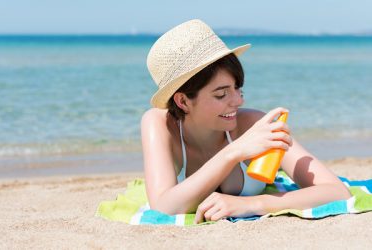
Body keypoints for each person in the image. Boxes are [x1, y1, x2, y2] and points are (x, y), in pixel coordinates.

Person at [141, 19, 351, 224]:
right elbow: (163, 208)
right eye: (221, 94)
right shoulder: (159, 125)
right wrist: (234, 153)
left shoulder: (253, 125)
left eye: (238, 89)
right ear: (183, 101)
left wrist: (251, 204)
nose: (239, 101)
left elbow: (336, 191)